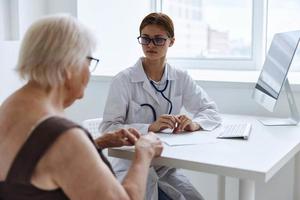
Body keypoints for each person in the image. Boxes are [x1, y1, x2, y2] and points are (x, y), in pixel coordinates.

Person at [0, 15, 164, 200]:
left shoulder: (8, 108)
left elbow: (37, 163)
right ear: (69, 65)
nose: (88, 72)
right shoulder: (63, 136)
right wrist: (144, 153)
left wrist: (97, 143)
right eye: (88, 62)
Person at [100, 12, 222, 200]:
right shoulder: (123, 81)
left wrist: (194, 124)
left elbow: (210, 111)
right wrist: (148, 128)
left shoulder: (180, 78)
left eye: (158, 40)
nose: (150, 45)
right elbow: (108, 128)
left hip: (166, 168)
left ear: (171, 42)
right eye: (145, 39)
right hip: (131, 165)